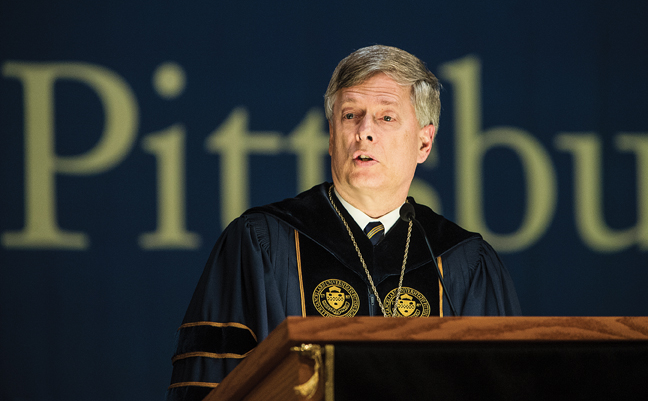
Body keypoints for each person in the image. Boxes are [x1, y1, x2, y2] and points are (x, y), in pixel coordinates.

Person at [167, 45, 521, 401]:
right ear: (332, 134)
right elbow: (209, 387)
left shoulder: (464, 263)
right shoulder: (263, 245)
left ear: (424, 142)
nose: (364, 131)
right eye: (350, 115)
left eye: (386, 118)